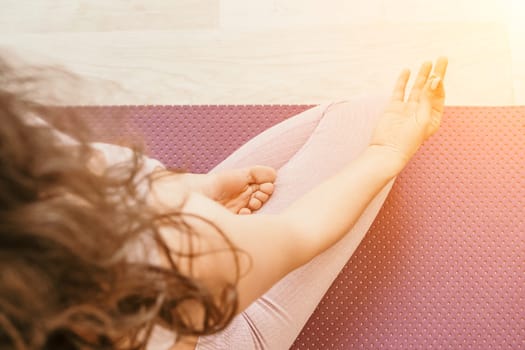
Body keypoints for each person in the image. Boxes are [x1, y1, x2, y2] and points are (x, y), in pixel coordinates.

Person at [0, 57, 448, 350]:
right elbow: (301, 232)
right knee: (368, 119)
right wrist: (386, 151)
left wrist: (188, 194)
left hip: (175, 271)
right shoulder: (163, 263)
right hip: (195, 304)